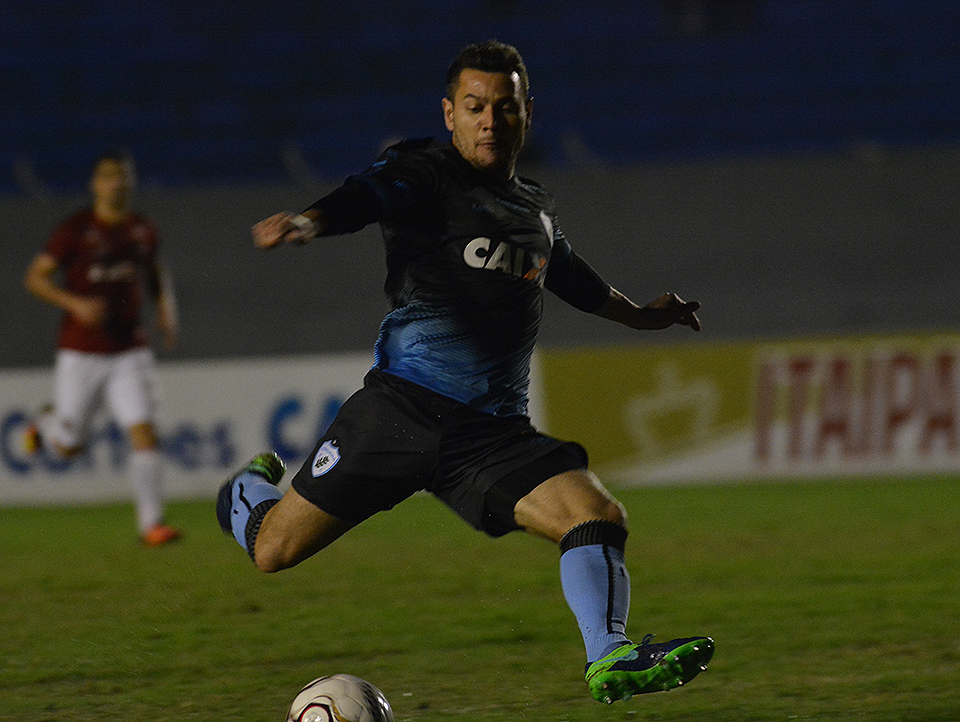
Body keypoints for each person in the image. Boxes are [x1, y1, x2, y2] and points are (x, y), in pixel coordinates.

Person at [217, 40, 713, 703]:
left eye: (503, 107)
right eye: (475, 107)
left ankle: (610, 656)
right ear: (449, 113)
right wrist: (310, 221)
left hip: (489, 436)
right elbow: (365, 196)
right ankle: (245, 496)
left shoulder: (534, 210)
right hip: (400, 411)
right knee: (272, 551)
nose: (489, 120)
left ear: (526, 113)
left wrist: (646, 318)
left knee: (594, 513)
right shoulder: (423, 173)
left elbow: (578, 282)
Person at [23, 150, 182, 547]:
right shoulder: (75, 230)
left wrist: (167, 311)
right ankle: (47, 424)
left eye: (124, 176)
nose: (118, 183)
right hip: (81, 352)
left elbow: (155, 271)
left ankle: (153, 525)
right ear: (95, 184)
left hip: (130, 349)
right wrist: (74, 303)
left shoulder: (143, 230)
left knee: (144, 432)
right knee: (69, 448)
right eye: (110, 176)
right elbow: (35, 278)